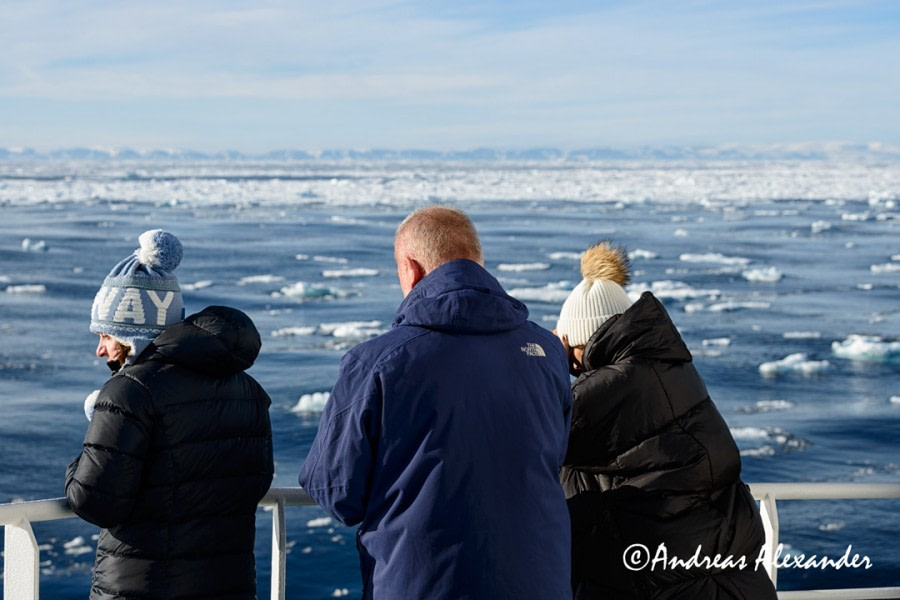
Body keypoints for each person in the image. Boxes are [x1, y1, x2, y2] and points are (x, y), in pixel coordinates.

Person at [298, 206, 573, 599]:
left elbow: (337, 490)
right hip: (541, 582)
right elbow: (552, 454)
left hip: (423, 584)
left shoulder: (376, 362)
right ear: (478, 262)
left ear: (411, 268)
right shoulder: (546, 351)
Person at [555, 241, 777, 599]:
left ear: (583, 342)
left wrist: (549, 362)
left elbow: (535, 424)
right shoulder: (670, 366)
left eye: (571, 351)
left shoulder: (613, 388)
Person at [65, 229, 274, 600]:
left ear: (133, 333)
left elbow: (94, 500)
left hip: (142, 587)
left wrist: (96, 434)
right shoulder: (247, 389)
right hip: (229, 585)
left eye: (106, 335)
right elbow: (252, 481)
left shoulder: (130, 391)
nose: (99, 350)